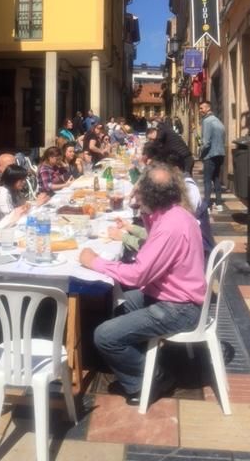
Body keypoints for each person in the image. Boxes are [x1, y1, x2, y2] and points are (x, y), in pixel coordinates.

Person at [79, 163, 206, 405]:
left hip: (179, 307)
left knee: (104, 335)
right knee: (117, 304)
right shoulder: (174, 214)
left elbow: (138, 275)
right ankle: (134, 355)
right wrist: (141, 216)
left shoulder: (170, 226)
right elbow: (151, 245)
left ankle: (152, 378)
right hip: (171, 295)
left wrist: (94, 262)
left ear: (148, 194)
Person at [199, 101, 226, 212]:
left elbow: (206, 142)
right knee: (216, 178)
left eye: (201, 108)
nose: (200, 110)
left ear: (207, 108)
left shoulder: (207, 121)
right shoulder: (218, 121)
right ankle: (219, 203)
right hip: (220, 154)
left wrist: (201, 153)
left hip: (210, 154)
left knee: (207, 180)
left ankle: (206, 205)